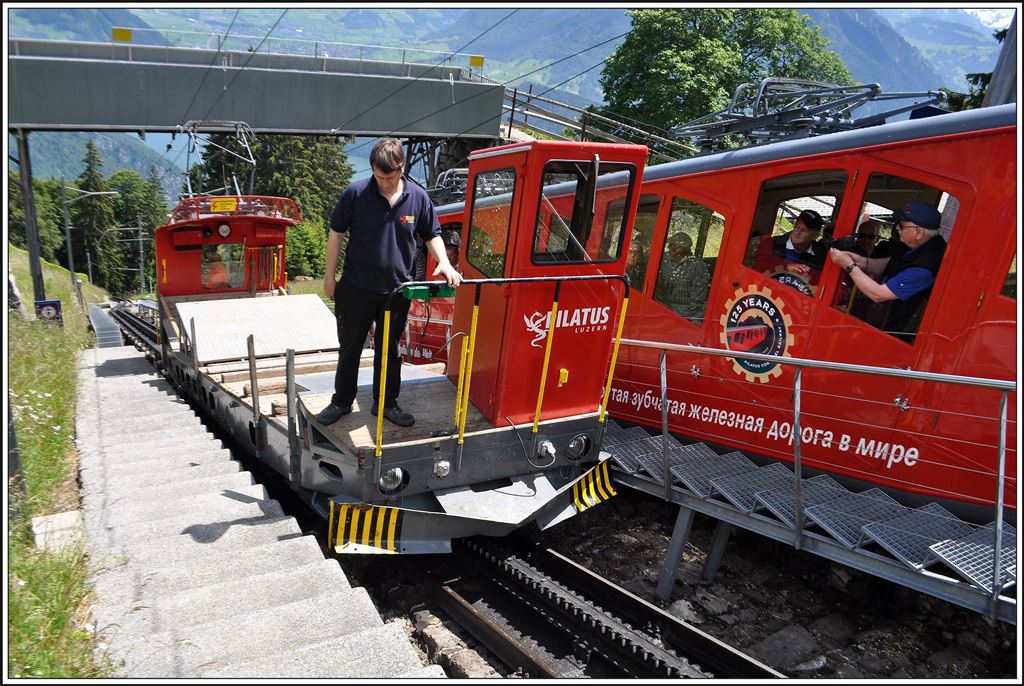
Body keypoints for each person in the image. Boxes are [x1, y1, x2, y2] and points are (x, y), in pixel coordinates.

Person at [316, 138, 461, 427]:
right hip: (356, 288)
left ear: (401, 168)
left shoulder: (418, 198)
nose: (383, 182)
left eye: (389, 176)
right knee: (350, 347)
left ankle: (386, 403)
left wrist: (443, 262)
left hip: (397, 290)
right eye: (378, 176)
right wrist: (329, 276)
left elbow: (432, 234)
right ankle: (342, 402)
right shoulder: (355, 193)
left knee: (391, 349)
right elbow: (336, 234)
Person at [829, 201, 946, 338]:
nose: (897, 228)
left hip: (895, 334)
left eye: (902, 225)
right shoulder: (915, 244)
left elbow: (879, 294)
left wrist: (849, 265)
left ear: (919, 232)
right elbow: (890, 264)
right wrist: (861, 261)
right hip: (879, 320)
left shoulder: (926, 266)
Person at [752, 209, 826, 291]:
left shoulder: (821, 257)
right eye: (797, 227)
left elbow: (821, 286)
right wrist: (786, 267)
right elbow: (757, 269)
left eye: (804, 230)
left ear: (815, 236)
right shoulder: (771, 244)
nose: (798, 232)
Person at [655, 232, 709, 323]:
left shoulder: (697, 266)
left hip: (688, 310)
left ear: (680, 248)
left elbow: (698, 297)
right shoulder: (664, 260)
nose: (669, 248)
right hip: (665, 305)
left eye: (672, 245)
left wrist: (683, 315)